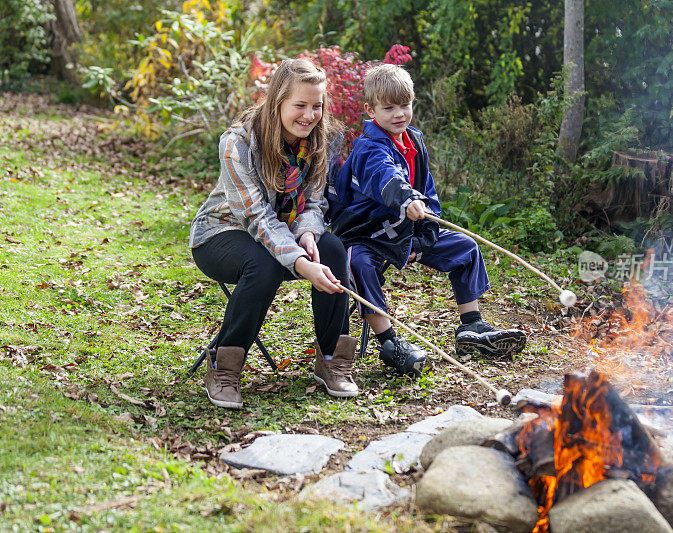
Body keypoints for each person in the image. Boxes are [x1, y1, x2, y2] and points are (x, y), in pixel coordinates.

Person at [328, 64, 526, 377]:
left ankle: (471, 326)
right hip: (365, 234)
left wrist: (425, 234)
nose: (398, 114)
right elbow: (385, 178)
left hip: (405, 234)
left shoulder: (414, 142)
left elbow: (428, 193)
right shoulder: (369, 149)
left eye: (404, 105)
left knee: (466, 248)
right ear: (370, 109)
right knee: (358, 264)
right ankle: (389, 341)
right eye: (388, 107)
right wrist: (406, 199)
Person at [190, 58, 358, 409]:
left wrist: (309, 235)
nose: (310, 115)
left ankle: (332, 360)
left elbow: (312, 204)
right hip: (222, 232)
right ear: (276, 101)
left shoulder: (317, 140)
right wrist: (299, 262)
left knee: (332, 248)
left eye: (317, 105)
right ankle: (224, 369)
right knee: (263, 265)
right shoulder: (236, 143)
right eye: (300, 105)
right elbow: (257, 217)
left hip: (282, 233)